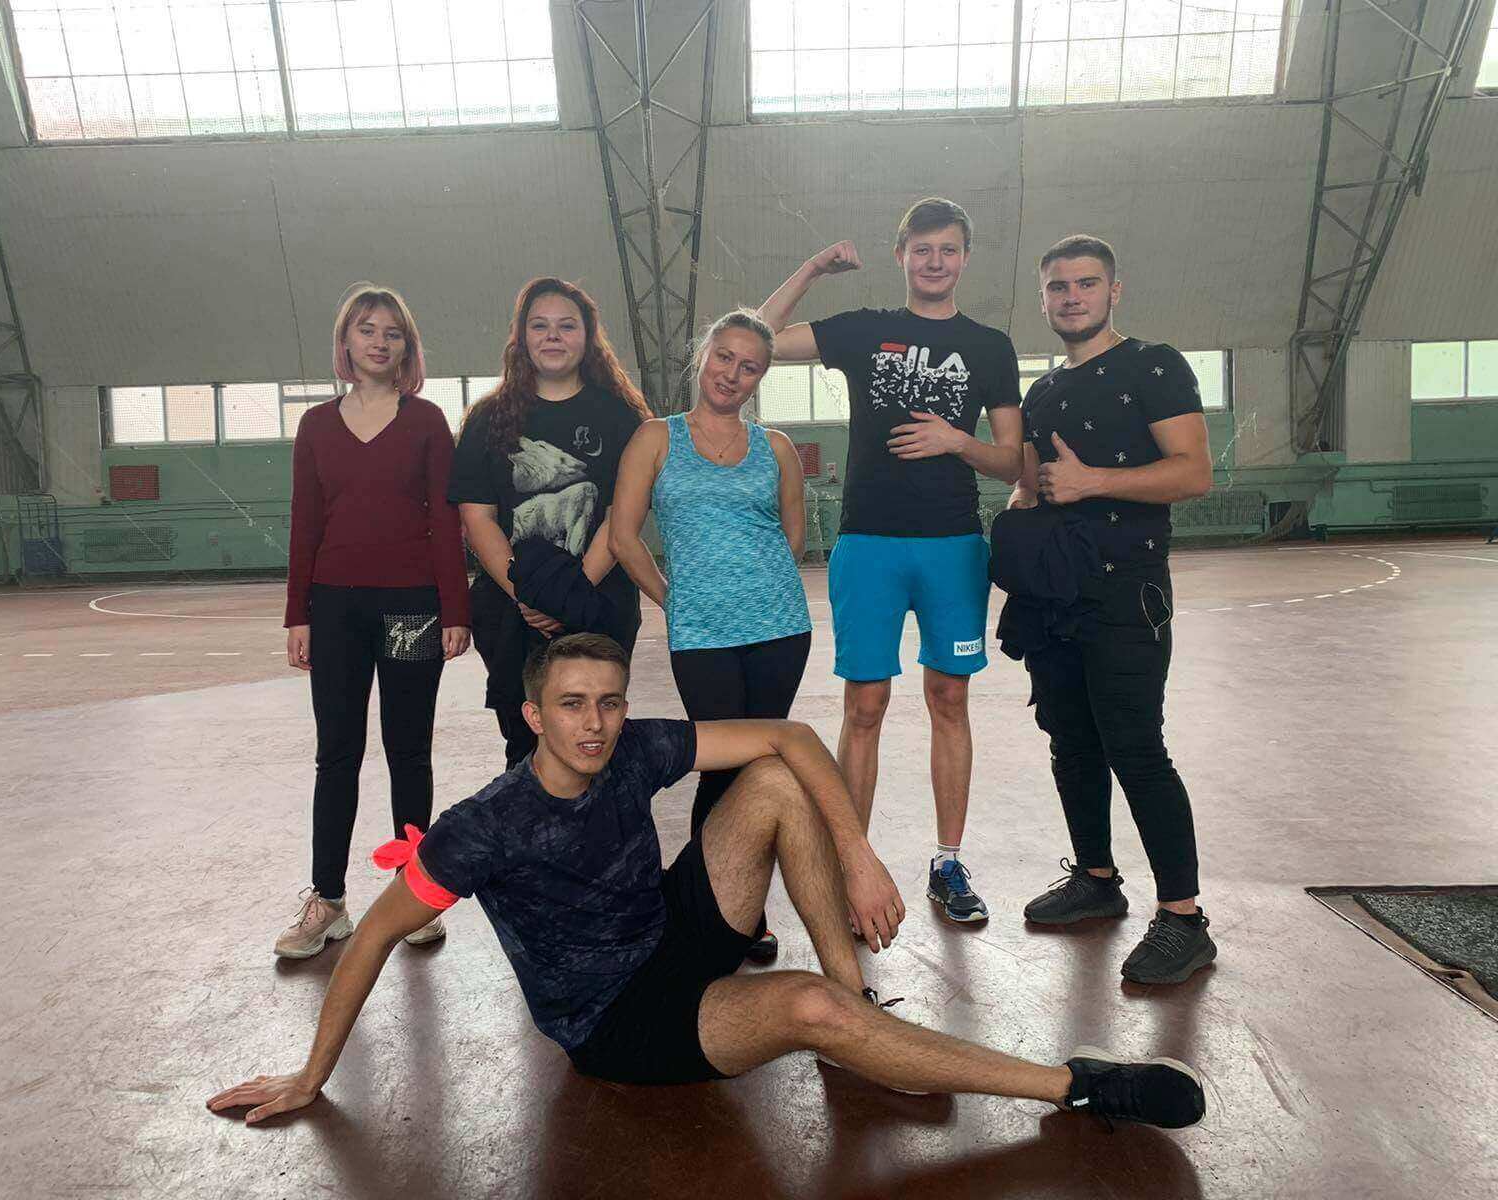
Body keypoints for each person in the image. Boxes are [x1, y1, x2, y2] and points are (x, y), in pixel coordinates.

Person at [208, 634, 1206, 1132]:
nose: (595, 723)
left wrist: (857, 855)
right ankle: (1079, 1086)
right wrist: (311, 1076)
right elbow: (376, 934)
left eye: (607, 702)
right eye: (571, 705)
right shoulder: (487, 827)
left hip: (673, 932)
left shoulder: (634, 748)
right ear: (532, 715)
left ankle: (859, 1013)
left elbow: (792, 735)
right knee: (804, 1007)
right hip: (615, 1020)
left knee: (771, 782)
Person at [758, 198, 1024, 923]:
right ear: (902, 254)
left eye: (949, 249)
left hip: (953, 547)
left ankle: (948, 861)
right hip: (869, 544)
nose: (935, 261)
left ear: (965, 257)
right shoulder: (865, 330)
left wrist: (957, 441)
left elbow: (1013, 461)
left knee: (949, 700)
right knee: (865, 705)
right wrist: (813, 268)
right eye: (922, 248)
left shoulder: (990, 346)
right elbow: (756, 339)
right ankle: (855, 862)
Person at [1006, 235, 1216, 985]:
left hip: (1128, 588)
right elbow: (1031, 481)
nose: (1072, 297)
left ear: (1113, 291)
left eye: (1086, 283)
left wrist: (1092, 481)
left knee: (1135, 745)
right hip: (1057, 593)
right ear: (1044, 299)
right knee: (1071, 741)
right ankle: (1096, 878)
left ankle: (1184, 919)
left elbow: (1194, 472)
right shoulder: (1042, 391)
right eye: (1058, 286)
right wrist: (1017, 515)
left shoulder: (1153, 366)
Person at [610, 309, 812, 964]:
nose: (732, 374)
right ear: (703, 357)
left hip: (779, 628)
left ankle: (747, 914)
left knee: (761, 765)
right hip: (702, 634)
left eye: (749, 367)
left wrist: (759, 589)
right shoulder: (655, 438)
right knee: (721, 765)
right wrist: (674, 600)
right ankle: (711, 910)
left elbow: (792, 537)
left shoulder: (775, 447)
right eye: (724, 357)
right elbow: (624, 537)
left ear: (760, 377)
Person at [277, 283, 472, 958]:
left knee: (408, 749)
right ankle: (327, 900)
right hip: (334, 609)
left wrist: (454, 608)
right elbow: (305, 524)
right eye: (367, 329)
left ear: (407, 346)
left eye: (393, 332)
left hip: (412, 606)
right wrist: (297, 615)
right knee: (337, 752)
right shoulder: (315, 427)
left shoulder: (427, 422)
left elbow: (445, 521)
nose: (380, 342)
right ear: (346, 341)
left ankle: (411, 895)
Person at [452, 277, 651, 768]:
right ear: (521, 337)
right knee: (525, 749)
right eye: (539, 326)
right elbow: (478, 517)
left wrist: (568, 595)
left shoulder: (622, 416)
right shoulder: (488, 418)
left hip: (598, 602)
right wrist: (528, 596)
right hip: (512, 611)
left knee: (595, 745)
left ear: (588, 336)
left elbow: (621, 515)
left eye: (567, 326)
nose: (553, 336)